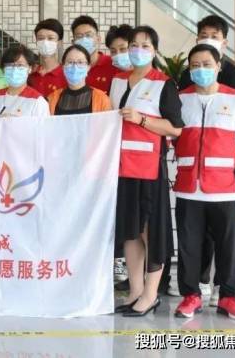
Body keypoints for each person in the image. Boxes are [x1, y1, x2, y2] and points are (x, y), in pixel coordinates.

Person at [172, 44, 235, 320]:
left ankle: (229, 297)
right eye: (195, 65)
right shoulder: (180, 99)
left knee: (228, 247)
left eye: (206, 64)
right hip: (188, 187)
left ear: (218, 67)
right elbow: (173, 136)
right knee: (189, 246)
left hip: (223, 189)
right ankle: (191, 295)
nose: (201, 70)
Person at [110, 26, 184, 317]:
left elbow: (175, 128)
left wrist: (142, 120)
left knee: (150, 230)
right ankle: (135, 290)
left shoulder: (163, 84)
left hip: (149, 168)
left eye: (145, 45)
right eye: (134, 44)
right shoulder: (118, 82)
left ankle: (151, 294)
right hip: (121, 168)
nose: (138, 50)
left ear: (154, 51)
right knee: (130, 231)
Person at [105, 23, 133, 289]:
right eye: (113, 51)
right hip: (116, 156)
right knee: (119, 212)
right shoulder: (116, 81)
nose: (119, 55)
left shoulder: (157, 80)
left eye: (123, 48)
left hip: (142, 160)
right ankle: (119, 265)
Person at [46, 45, 112, 115]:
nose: (75, 67)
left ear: (88, 67)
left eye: (80, 62)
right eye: (70, 62)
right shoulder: (51, 99)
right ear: (63, 66)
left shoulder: (102, 99)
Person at [0, 45, 48, 117]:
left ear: (30, 68)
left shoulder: (38, 101)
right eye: (9, 65)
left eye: (20, 65)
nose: (14, 69)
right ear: (3, 69)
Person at [70, 15, 116, 93]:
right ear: (73, 42)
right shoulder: (70, 69)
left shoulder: (113, 64)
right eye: (79, 36)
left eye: (88, 35)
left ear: (98, 39)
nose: (84, 39)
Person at [27, 18, 67, 98]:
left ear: (59, 43)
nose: (45, 42)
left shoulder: (67, 74)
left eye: (50, 38)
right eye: (40, 38)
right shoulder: (29, 74)